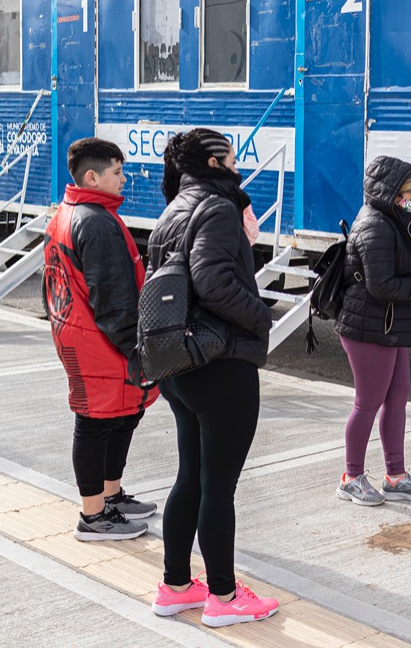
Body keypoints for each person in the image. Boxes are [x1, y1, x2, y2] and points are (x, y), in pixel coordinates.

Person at [144, 129, 279, 628]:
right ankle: (223, 596)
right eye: (231, 155)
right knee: (219, 487)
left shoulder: (175, 207)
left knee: (192, 478)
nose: (238, 163)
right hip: (219, 363)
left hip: (178, 363)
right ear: (213, 161)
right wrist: (261, 316)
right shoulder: (218, 208)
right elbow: (214, 281)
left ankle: (176, 585)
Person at [43, 137, 158, 542]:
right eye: (118, 172)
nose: (125, 179)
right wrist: (137, 348)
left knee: (124, 414)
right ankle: (93, 516)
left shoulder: (71, 212)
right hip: (96, 339)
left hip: (80, 332)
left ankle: (110, 495)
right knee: (94, 422)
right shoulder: (94, 221)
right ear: (92, 176)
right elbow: (112, 298)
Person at [334, 156, 411, 506]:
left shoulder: (392, 220)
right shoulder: (375, 225)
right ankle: (351, 478)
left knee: (398, 397)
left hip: (388, 324)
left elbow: (393, 270)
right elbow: (380, 285)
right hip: (368, 326)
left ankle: (395, 476)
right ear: (395, 193)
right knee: (368, 402)